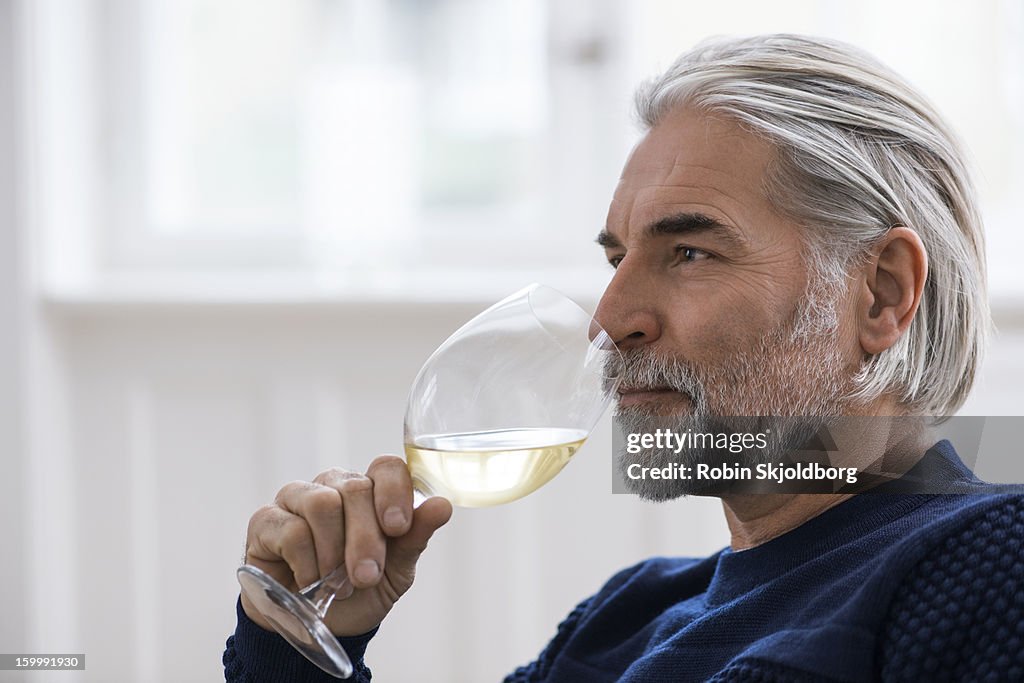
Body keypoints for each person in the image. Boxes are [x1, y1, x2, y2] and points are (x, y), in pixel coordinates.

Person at [223, 34, 1024, 681]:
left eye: (689, 252)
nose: (611, 318)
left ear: (882, 293)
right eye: (617, 259)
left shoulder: (991, 560)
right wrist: (294, 652)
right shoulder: (626, 616)